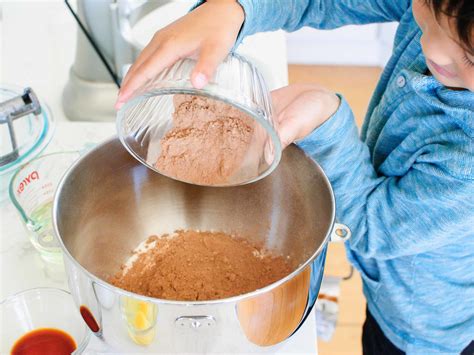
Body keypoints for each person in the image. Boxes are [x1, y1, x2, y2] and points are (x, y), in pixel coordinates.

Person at [116, 0, 474, 353]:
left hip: (422, 327)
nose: (433, 48)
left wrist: (328, 119)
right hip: (391, 283)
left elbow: (372, 225)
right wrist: (236, 9)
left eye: (470, 57)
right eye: (426, 9)